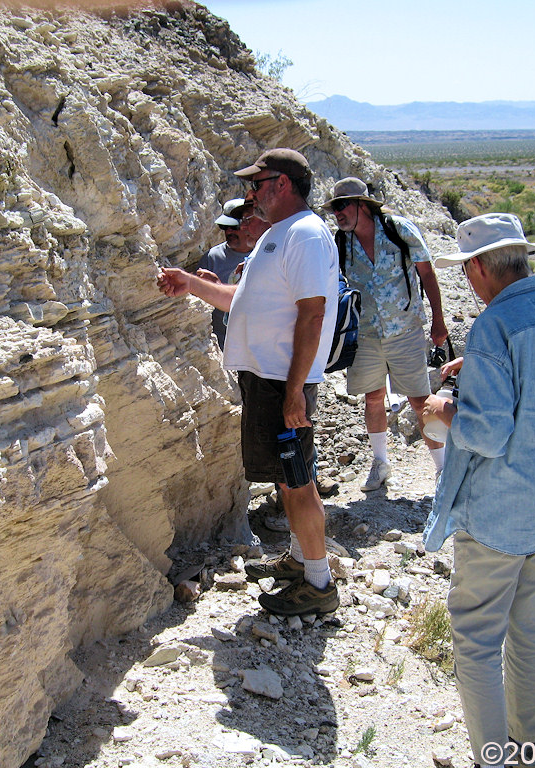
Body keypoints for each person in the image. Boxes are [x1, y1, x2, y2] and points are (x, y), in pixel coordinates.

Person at [422, 213, 535, 768]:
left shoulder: (493, 326)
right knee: (533, 631)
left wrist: (446, 408)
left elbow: (489, 434)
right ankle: (529, 750)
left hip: (503, 510)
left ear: (477, 268)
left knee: (476, 640)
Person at [157, 148, 340, 616]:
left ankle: (318, 585)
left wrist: (296, 389)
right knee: (289, 477)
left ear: (282, 184)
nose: (250, 193)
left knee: (297, 482)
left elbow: (313, 313)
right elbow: (242, 298)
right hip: (269, 378)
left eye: (257, 184)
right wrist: (192, 285)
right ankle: (302, 562)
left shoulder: (304, 234)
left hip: (283, 380)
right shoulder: (278, 236)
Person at [323, 177, 449, 492]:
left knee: (421, 402)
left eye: (342, 206)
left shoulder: (398, 230)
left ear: (361, 205)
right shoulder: (341, 242)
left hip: (405, 329)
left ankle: (443, 471)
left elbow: (427, 273)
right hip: (365, 333)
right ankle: (381, 464)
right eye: (334, 207)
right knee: (373, 398)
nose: (337, 213)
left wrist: (438, 321)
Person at [197, 198, 269, 348]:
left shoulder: (266, 255)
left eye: (233, 227)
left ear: (246, 225)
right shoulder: (212, 258)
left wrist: (217, 285)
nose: (228, 231)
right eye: (224, 227)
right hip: (220, 347)